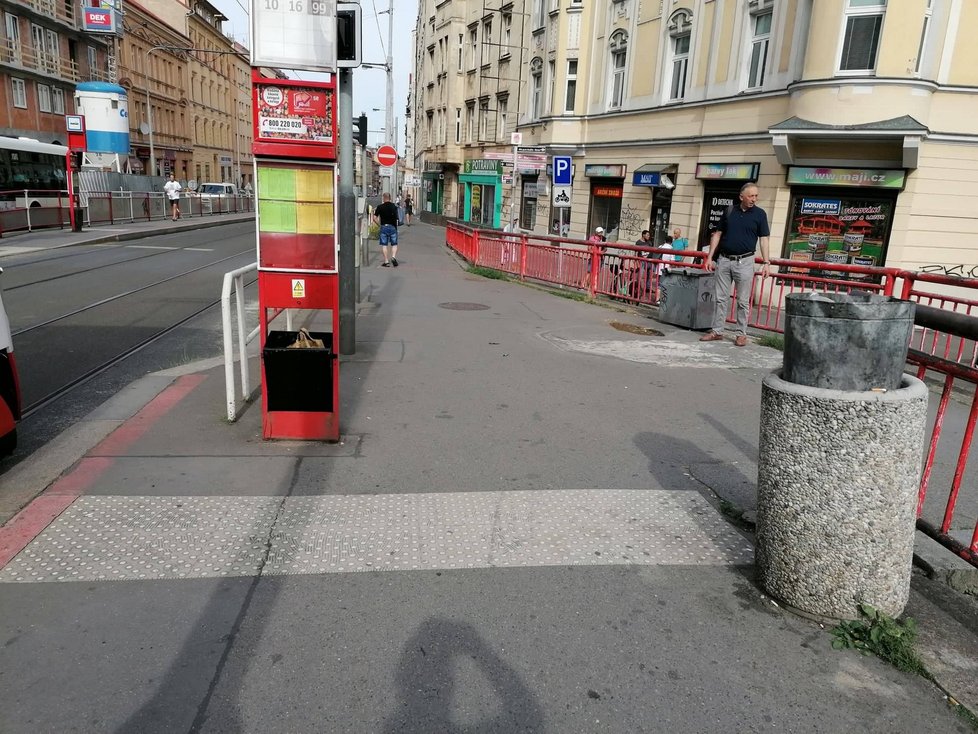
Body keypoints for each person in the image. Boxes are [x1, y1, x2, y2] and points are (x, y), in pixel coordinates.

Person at [700, 182, 772, 346]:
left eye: (756, 196)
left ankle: (741, 334)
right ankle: (717, 331)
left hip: (745, 261)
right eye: (751, 196)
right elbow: (717, 234)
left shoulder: (760, 214)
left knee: (743, 300)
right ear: (741, 197)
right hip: (724, 260)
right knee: (720, 298)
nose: (754, 199)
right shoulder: (729, 210)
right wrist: (709, 257)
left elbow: (764, 240)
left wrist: (767, 262)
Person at [373, 192, 400, 267]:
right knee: (394, 244)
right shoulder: (394, 207)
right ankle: (393, 257)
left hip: (384, 227)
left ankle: (386, 261)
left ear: (383, 198)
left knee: (384, 245)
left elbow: (374, 218)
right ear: (390, 198)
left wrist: (379, 225)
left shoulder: (380, 207)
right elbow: (396, 217)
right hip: (393, 227)